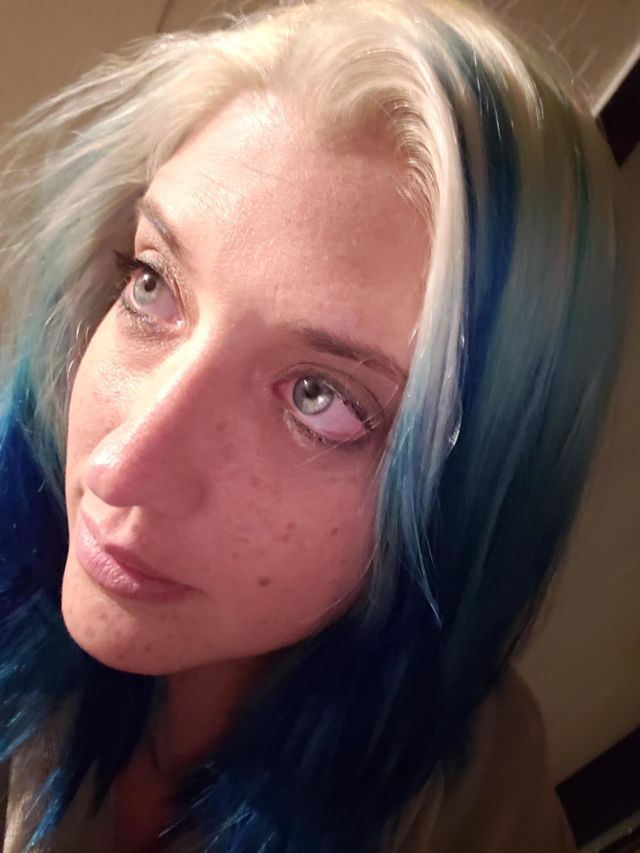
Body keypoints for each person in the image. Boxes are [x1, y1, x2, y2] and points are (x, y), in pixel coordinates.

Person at [0, 0, 626, 851]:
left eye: (319, 396)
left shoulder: (472, 802)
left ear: (463, 500)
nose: (118, 469)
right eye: (152, 283)